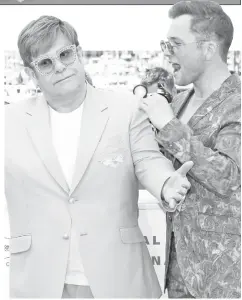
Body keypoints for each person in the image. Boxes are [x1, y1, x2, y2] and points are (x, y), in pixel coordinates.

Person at [5, 15, 193, 299]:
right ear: (32, 74)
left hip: (119, 277)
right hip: (39, 281)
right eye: (45, 63)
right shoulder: (9, 121)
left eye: (65, 54)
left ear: (79, 53)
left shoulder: (127, 109)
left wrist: (167, 184)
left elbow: (149, 163)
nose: (60, 67)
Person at [140, 0, 241, 298]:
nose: (166, 52)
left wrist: (169, 126)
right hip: (180, 272)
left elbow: (229, 177)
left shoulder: (236, 102)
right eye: (165, 44)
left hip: (226, 277)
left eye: (175, 44)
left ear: (208, 48)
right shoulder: (176, 102)